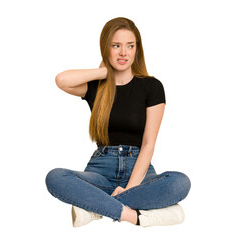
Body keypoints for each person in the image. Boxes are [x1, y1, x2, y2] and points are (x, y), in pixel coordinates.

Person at [45, 17, 191, 227]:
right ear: (106, 48)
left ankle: (94, 209)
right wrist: (104, 72)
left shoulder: (152, 87)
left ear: (137, 50)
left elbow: (149, 144)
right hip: (100, 172)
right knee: (55, 177)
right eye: (116, 46)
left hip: (140, 174)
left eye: (130, 46)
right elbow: (61, 80)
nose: (124, 52)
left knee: (180, 182)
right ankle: (137, 217)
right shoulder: (97, 87)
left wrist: (131, 187)